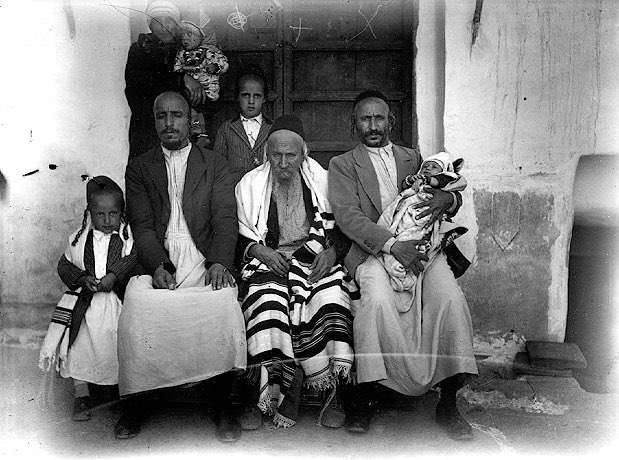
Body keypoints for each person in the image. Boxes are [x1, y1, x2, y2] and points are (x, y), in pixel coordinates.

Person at [328, 90, 478, 440]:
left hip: (424, 253)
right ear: (354, 125)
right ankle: (364, 398)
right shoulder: (343, 165)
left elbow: (444, 186)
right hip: (375, 253)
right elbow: (348, 218)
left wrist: (450, 198)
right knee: (376, 304)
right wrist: (394, 246)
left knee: (450, 302)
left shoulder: (413, 158)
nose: (373, 126)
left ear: (391, 122)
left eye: (379, 118)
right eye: (364, 119)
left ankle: (449, 401)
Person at [117, 91, 246, 442]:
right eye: (162, 116)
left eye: (176, 115)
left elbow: (224, 217)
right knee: (138, 307)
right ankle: (137, 402)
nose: (169, 123)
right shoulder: (140, 167)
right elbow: (142, 226)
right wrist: (157, 264)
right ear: (154, 120)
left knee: (222, 306)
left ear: (190, 120)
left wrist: (220, 261)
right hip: (160, 256)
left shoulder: (215, 162)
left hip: (204, 254)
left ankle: (223, 406)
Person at [235, 115, 357, 429]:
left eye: (292, 155)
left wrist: (332, 252)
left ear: (303, 154)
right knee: (268, 303)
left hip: (314, 259)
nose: (284, 163)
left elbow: (342, 226)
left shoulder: (324, 180)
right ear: (267, 154)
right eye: (277, 155)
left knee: (333, 297)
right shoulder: (248, 186)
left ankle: (334, 393)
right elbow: (238, 237)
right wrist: (258, 249)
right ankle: (264, 397)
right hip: (269, 261)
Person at [38, 176, 136, 421]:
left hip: (115, 305)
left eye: (113, 213)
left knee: (115, 349)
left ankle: (115, 395)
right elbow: (65, 264)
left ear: (122, 213)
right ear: (89, 213)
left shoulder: (125, 238)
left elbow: (132, 259)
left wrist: (114, 275)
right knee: (80, 348)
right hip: (87, 307)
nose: (106, 220)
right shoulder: (79, 239)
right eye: (100, 214)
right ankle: (81, 396)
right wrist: (82, 279)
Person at [124, 0, 214, 158]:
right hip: (148, 131)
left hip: (184, 132)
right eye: (157, 21)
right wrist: (181, 78)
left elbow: (208, 88)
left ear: (178, 23)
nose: (164, 26)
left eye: (169, 20)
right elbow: (138, 86)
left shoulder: (189, 49)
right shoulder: (139, 50)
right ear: (150, 25)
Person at [378, 151, 467, 292]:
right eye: (426, 165)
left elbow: (449, 189)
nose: (428, 168)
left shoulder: (417, 161)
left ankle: (401, 274)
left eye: (434, 166)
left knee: (448, 295)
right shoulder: (346, 164)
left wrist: (447, 196)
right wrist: (414, 180)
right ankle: (397, 271)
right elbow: (406, 184)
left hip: (422, 222)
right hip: (395, 225)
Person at [213, 71, 272, 185]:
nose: (251, 101)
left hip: (265, 188)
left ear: (264, 98)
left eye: (257, 96)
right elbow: (218, 165)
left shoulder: (272, 128)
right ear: (237, 97)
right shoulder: (226, 128)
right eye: (245, 95)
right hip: (235, 188)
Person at [173, 19, 229, 103]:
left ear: (202, 35)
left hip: (208, 87)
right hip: (189, 89)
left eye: (189, 34)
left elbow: (224, 64)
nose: (184, 38)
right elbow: (177, 67)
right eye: (182, 34)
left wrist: (215, 66)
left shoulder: (210, 51)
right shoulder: (181, 53)